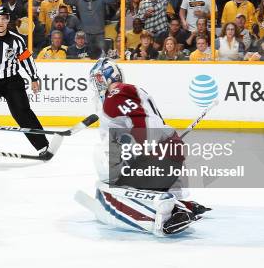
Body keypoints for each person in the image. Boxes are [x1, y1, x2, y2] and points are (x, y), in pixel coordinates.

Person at [80, 58, 210, 236]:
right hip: (173, 157)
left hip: (156, 161)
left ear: (108, 78)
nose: (98, 86)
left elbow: (114, 143)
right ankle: (181, 205)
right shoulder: (137, 90)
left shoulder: (111, 100)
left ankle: (171, 212)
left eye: (99, 81)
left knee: (114, 182)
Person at [0, 7, 52, 162]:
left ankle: (43, 146)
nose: (0, 22)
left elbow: (27, 60)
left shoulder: (17, 40)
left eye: (4, 18)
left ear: (8, 20)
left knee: (22, 112)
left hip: (12, 81)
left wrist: (34, 78)